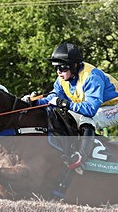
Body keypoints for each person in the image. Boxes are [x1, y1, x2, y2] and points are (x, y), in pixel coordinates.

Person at [32, 42, 118, 172]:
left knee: (87, 118)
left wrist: (64, 103)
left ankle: (81, 159)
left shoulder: (91, 77)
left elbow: (90, 110)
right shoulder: (62, 79)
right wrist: (32, 103)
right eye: (56, 67)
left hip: (114, 107)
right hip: (100, 106)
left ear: (75, 65)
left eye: (62, 67)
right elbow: (52, 98)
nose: (59, 72)